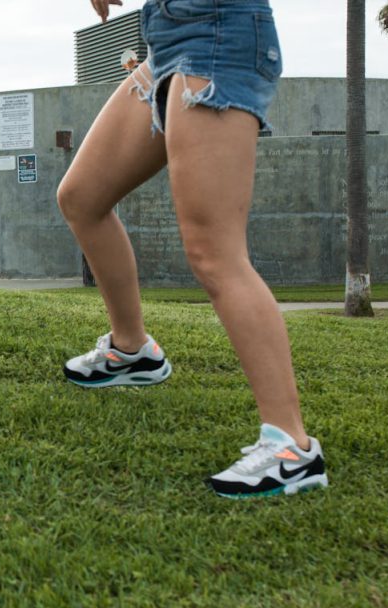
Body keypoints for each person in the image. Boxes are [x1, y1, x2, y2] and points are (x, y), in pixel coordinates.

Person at [59, 0, 328, 497]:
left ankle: (292, 446)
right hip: (166, 41)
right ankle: (133, 350)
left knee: (213, 251)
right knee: (82, 197)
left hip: (217, 35)